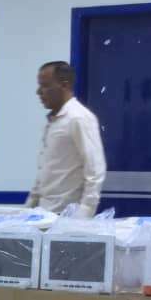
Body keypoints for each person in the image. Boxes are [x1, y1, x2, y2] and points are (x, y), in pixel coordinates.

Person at [26, 60, 107, 218]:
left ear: (64, 85)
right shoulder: (54, 121)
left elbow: (95, 170)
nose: (39, 92)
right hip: (43, 214)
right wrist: (29, 207)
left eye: (45, 86)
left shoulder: (79, 118)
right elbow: (45, 171)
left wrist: (84, 214)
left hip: (66, 217)